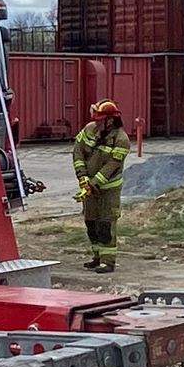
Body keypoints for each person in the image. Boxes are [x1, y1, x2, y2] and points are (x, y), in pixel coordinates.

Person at [71, 99, 129, 273]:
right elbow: (78, 152)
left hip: (108, 190)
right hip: (89, 186)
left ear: (110, 120)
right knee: (91, 222)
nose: (96, 123)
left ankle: (107, 261)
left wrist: (93, 183)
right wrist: (82, 177)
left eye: (100, 120)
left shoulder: (121, 140)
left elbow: (112, 166)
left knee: (105, 224)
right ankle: (96, 257)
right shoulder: (89, 130)